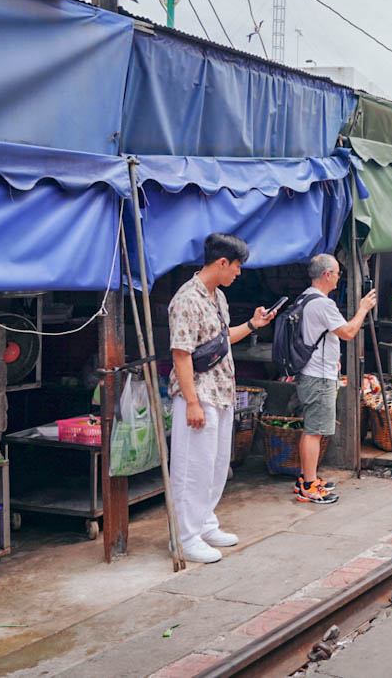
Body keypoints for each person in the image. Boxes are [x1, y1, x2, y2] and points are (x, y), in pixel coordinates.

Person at [168, 233, 277, 564]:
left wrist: (252, 324)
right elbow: (181, 354)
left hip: (221, 391)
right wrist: (191, 402)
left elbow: (221, 339)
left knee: (215, 465)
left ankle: (204, 523)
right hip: (198, 392)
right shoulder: (186, 299)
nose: (239, 273)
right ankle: (184, 538)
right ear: (221, 262)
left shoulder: (217, 298)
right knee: (191, 469)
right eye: (238, 266)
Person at [293, 254, 378, 504]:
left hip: (313, 372)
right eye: (338, 273)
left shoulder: (306, 298)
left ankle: (305, 478)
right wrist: (362, 308)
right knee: (315, 431)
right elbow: (349, 332)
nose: (339, 277)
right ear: (327, 275)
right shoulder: (322, 304)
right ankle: (309, 485)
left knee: (312, 430)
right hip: (319, 377)